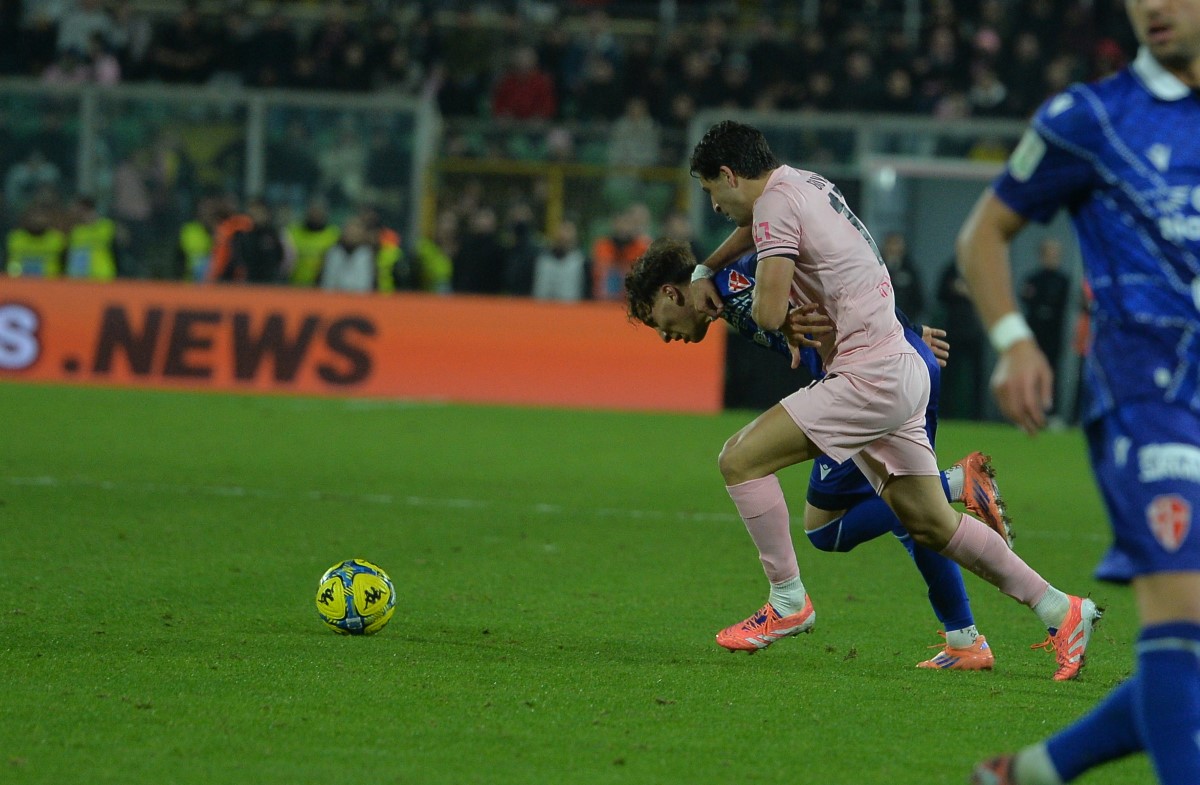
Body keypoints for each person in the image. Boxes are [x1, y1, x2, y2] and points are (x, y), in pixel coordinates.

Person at [685, 120, 1099, 681]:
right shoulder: (802, 183)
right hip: (900, 367)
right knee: (930, 523)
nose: (713, 206)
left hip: (867, 377)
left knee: (739, 459)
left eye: (712, 192)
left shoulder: (775, 210)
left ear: (730, 176)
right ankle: (1061, 609)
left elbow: (763, 309)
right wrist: (708, 266)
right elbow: (753, 231)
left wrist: (774, 315)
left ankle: (787, 603)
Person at [957, 1, 1200, 782]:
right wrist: (1013, 339)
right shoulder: (1091, 117)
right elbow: (982, 234)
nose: (1153, 6)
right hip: (1145, 402)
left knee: (1186, 655)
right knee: (1180, 620)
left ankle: (1034, 769)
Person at [627, 238, 1011, 668]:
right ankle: (965, 640)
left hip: (865, 388)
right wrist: (906, 329)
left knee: (829, 528)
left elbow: (832, 273)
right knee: (913, 518)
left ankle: (956, 483)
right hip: (884, 372)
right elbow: (840, 283)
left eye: (654, 320)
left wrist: (902, 330)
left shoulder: (734, 280)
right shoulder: (726, 293)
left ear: (669, 293)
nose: (663, 335)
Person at [1018, 239, 1071, 411]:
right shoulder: (1033, 278)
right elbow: (1025, 298)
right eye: (1049, 254)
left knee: (1052, 372)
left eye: (1055, 254)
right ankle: (1027, 409)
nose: (1053, 258)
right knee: (1030, 371)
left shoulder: (1064, 281)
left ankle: (1050, 411)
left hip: (1054, 334)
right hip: (1034, 333)